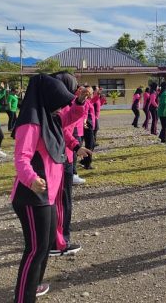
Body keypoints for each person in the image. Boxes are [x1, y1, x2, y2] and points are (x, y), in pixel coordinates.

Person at [11, 73, 85, 302]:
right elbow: (21, 158)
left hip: (49, 194)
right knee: (34, 249)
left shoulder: (50, 117)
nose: (62, 106)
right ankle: (24, 297)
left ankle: (33, 286)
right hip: (33, 194)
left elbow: (69, 119)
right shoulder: (31, 122)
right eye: (59, 100)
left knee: (44, 247)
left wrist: (80, 102)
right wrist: (31, 179)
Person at [49, 73, 91, 258]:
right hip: (59, 159)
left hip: (63, 155)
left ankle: (57, 240)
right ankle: (58, 243)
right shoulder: (57, 106)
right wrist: (80, 102)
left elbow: (62, 129)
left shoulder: (54, 105)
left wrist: (75, 146)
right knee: (61, 203)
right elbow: (64, 124)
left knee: (61, 202)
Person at [80, 86, 96, 170]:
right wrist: (84, 122)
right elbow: (85, 113)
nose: (93, 93)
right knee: (90, 144)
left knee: (91, 144)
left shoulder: (89, 101)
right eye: (92, 92)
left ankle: (84, 161)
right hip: (87, 125)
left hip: (89, 125)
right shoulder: (86, 102)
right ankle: (87, 163)